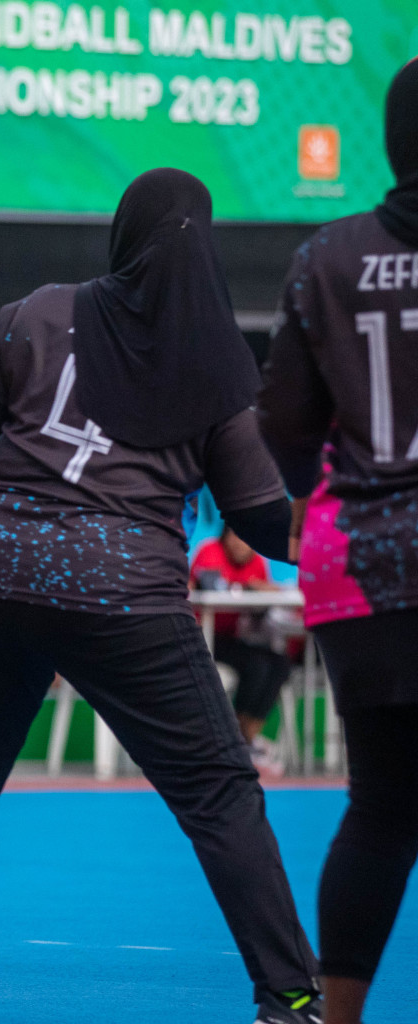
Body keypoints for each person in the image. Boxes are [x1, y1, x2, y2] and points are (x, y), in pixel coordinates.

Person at [0, 169, 321, 1024]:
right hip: (121, 594)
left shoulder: (33, 313)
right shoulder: (216, 357)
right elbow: (257, 515)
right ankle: (292, 997)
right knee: (220, 795)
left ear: (123, 236)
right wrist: (345, 544)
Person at [257, 57, 418, 1024]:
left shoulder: (328, 256)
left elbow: (282, 421)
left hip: (364, 560)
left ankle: (338, 1013)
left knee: (383, 804)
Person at [190, 525, 295, 769]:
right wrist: (247, 587)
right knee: (256, 665)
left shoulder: (258, 561)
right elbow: (209, 585)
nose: (239, 543)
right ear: (224, 537)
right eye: (234, 537)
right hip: (204, 638)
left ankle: (244, 738)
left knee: (280, 664)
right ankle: (239, 741)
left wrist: (266, 591)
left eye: (244, 538)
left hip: (235, 637)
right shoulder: (209, 551)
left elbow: (263, 602)